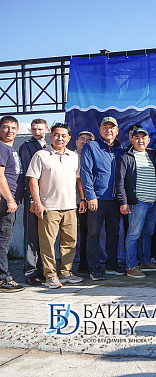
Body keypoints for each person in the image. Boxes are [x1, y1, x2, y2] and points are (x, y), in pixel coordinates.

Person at [27, 123, 84, 289]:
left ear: (69, 138)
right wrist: (37, 203)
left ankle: (66, 272)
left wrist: (83, 199)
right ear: (50, 136)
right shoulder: (40, 155)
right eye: (56, 135)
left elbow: (78, 180)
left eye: (64, 135)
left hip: (70, 206)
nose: (60, 138)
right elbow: (32, 180)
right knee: (47, 243)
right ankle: (50, 275)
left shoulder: (73, 156)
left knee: (70, 241)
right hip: (48, 207)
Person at [80, 116, 125, 281]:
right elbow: (86, 172)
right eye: (105, 127)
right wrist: (90, 196)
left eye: (111, 127)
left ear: (117, 130)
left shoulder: (120, 149)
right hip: (97, 199)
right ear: (100, 130)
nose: (108, 130)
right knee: (93, 234)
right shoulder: (91, 146)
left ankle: (111, 265)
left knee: (114, 233)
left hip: (115, 200)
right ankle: (94, 267)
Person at [116, 127, 156, 278]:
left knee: (147, 233)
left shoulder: (153, 154)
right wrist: (123, 202)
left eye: (143, 138)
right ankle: (131, 266)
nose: (140, 140)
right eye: (137, 138)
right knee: (134, 234)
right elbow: (120, 181)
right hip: (137, 203)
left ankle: (145, 261)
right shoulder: (126, 157)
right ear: (131, 140)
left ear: (148, 140)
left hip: (152, 202)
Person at [19, 118, 48, 286]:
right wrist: (32, 199)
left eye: (40, 129)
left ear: (46, 130)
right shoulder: (27, 147)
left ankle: (42, 270)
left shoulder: (48, 148)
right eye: (34, 129)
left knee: (44, 236)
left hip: (47, 199)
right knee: (31, 236)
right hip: (33, 199)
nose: (37, 132)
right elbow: (28, 176)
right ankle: (30, 272)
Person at [0, 116, 25, 292]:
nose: (10, 131)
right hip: (4, 201)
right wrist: (9, 199)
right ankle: (2, 278)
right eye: (6, 127)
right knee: (3, 239)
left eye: (13, 128)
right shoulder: (2, 147)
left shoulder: (9, 148)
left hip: (8, 201)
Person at [74, 131, 94, 275]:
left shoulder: (92, 157)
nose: (84, 142)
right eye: (82, 139)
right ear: (76, 141)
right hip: (70, 201)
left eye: (88, 140)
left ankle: (84, 264)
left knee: (86, 232)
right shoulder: (70, 156)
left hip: (86, 202)